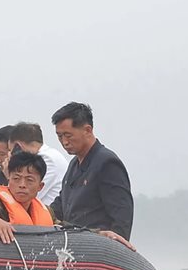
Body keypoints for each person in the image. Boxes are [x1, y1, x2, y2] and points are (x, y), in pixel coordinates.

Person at [0, 151, 134, 250]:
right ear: (8, 180)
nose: (22, 185)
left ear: (40, 187)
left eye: (29, 180)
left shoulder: (44, 211)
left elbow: (66, 228)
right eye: (16, 179)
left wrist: (101, 234)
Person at [48, 102, 134, 241]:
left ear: (87, 130)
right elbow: (59, 207)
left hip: (98, 248)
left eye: (68, 135)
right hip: (72, 247)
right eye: (59, 136)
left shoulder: (107, 163)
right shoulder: (73, 165)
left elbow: (121, 217)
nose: (64, 142)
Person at [7, 122, 69, 206]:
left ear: (18, 146)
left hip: (48, 214)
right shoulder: (51, 154)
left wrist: (8, 173)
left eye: (12, 151)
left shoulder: (47, 159)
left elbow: (23, 197)